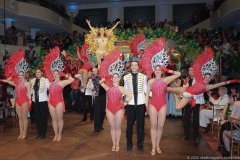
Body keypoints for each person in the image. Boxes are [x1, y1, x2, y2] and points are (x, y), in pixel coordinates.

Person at [167, 48, 239, 109]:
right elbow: (197, 68)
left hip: (189, 95)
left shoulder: (207, 87)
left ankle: (175, 95)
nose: (207, 78)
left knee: (178, 107)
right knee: (168, 88)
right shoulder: (199, 78)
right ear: (204, 76)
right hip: (187, 89)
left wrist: (233, 80)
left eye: (209, 77)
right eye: (206, 77)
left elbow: (221, 83)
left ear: (210, 78)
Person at [145, 66, 181, 155]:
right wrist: (146, 105)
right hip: (153, 104)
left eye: (159, 70)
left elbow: (178, 74)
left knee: (160, 126)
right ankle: (153, 147)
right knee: (153, 125)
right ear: (154, 71)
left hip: (163, 105)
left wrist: (168, 70)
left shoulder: (166, 80)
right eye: (156, 70)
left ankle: (157, 145)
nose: (157, 71)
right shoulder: (150, 81)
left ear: (162, 71)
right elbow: (146, 94)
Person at [2, 49, 30, 140]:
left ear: (24, 75)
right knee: (20, 118)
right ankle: (21, 132)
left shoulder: (27, 84)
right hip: (18, 101)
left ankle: (24, 133)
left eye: (21, 75)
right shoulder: (16, 83)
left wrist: (30, 102)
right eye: (19, 75)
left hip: (25, 101)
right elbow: (8, 81)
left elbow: (29, 94)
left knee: (24, 118)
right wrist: (13, 75)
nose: (20, 76)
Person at [100, 74, 132, 152]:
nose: (114, 78)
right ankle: (114, 144)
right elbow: (100, 82)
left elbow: (130, 95)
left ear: (119, 79)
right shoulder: (108, 88)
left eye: (116, 77)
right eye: (113, 77)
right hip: (109, 110)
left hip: (119, 110)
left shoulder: (121, 88)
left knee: (117, 128)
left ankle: (117, 144)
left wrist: (124, 103)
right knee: (112, 128)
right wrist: (107, 76)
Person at [124, 61, 147, 151]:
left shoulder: (144, 77)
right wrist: (123, 99)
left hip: (141, 103)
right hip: (130, 104)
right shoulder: (126, 77)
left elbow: (145, 89)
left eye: (135, 65)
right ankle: (129, 143)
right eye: (132, 65)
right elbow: (125, 89)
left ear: (138, 67)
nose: (134, 66)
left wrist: (154, 94)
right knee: (129, 125)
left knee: (140, 125)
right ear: (130, 67)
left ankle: (140, 144)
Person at [48, 71, 74, 141]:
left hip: (59, 102)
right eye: (54, 74)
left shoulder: (62, 82)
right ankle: (56, 134)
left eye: (57, 74)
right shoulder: (50, 83)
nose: (55, 75)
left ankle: (60, 134)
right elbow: (50, 94)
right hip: (51, 102)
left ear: (59, 75)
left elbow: (72, 80)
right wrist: (48, 101)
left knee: (59, 119)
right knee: (53, 119)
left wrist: (64, 74)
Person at [31, 69, 50, 139]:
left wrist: (49, 98)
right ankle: (39, 132)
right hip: (35, 102)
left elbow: (50, 89)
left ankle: (43, 133)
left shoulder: (46, 80)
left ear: (42, 73)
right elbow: (31, 91)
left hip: (43, 101)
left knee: (43, 118)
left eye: (39, 72)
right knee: (37, 118)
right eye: (36, 72)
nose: (37, 73)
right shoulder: (32, 80)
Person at [92, 67, 106, 132]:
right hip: (98, 96)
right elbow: (100, 82)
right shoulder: (94, 78)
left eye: (95, 70)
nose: (94, 72)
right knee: (97, 112)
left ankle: (100, 125)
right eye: (93, 71)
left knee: (103, 112)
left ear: (98, 71)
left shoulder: (102, 76)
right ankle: (96, 127)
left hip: (104, 96)